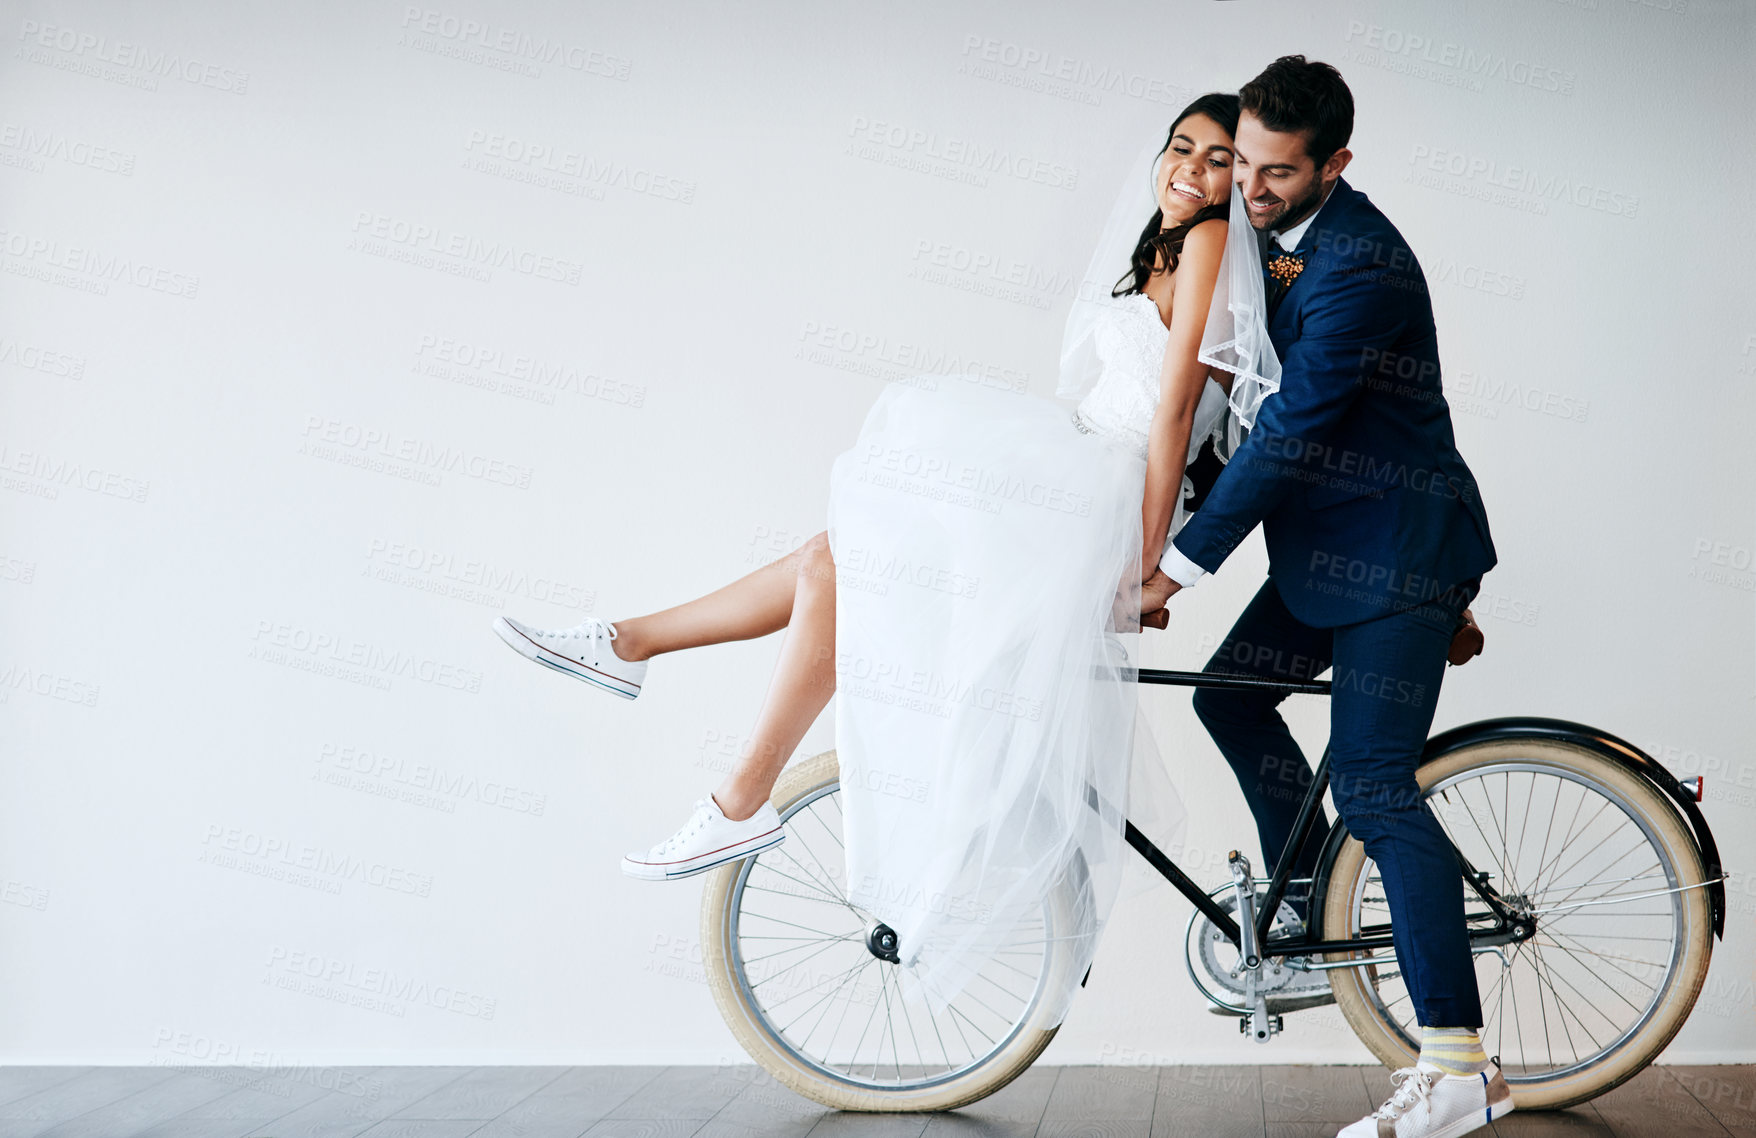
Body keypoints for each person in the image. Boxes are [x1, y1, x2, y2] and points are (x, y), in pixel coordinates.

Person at [492, 94, 1255, 1021]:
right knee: (830, 557)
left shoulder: (1213, 242)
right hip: (1082, 474)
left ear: (1242, 177)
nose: (1192, 170)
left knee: (843, 552)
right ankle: (631, 651)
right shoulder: (1171, 244)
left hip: (1104, 494)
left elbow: (1176, 410)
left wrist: (1143, 557)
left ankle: (722, 777)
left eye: (1219, 160)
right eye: (1181, 148)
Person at [1149, 57, 1510, 1138]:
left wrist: (1176, 567)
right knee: (1228, 696)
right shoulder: (1263, 233)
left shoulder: (1361, 264)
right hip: (1335, 556)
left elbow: (1290, 430)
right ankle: (1312, 897)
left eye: (1273, 172)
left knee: (1372, 785)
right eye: (1241, 163)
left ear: (1334, 165)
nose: (1248, 187)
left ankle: (1457, 1068)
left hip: (1396, 554)